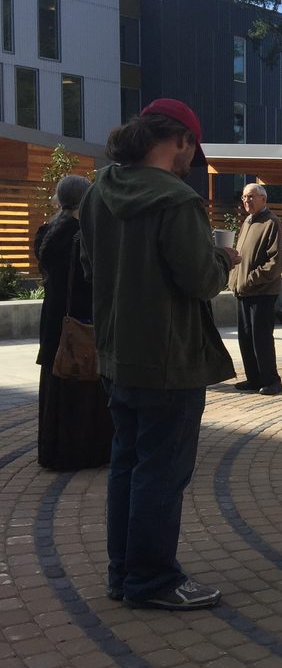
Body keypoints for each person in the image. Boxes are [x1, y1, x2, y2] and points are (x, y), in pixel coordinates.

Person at [79, 98, 240, 610]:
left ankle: (123, 573)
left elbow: (90, 268)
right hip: (169, 361)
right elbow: (199, 281)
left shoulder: (96, 193)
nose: (192, 161)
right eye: (193, 148)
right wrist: (222, 257)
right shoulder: (176, 201)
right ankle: (152, 580)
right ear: (180, 140)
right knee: (161, 473)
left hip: (115, 354)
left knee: (127, 466)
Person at [33, 175, 113, 470]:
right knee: (83, 384)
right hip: (82, 322)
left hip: (54, 321)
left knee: (56, 384)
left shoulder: (47, 232)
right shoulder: (83, 236)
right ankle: (84, 452)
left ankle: (53, 450)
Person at [230, 183, 282, 396]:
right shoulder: (247, 222)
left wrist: (250, 279)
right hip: (243, 290)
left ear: (263, 198)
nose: (247, 201)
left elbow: (276, 261)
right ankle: (254, 379)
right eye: (244, 197)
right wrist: (234, 278)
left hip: (261, 291)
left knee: (261, 337)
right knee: (245, 337)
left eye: (251, 196)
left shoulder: (271, 222)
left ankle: (271, 380)